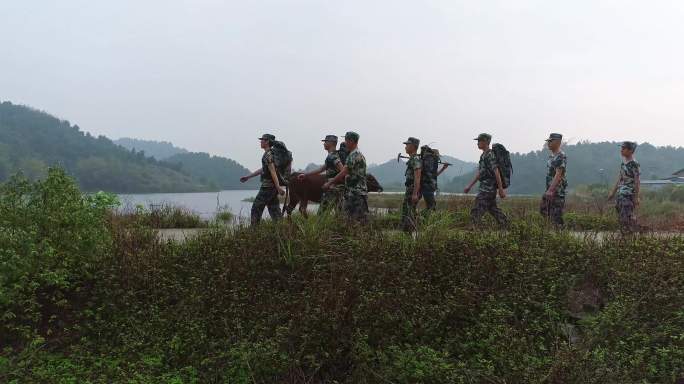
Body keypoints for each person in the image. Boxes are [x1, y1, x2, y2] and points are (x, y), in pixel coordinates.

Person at [464, 133, 508, 227]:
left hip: (488, 189)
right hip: (485, 187)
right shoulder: (483, 155)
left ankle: (473, 228)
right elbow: (480, 173)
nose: (477, 143)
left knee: (477, 208)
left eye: (479, 141)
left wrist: (500, 189)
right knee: (492, 208)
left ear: (485, 142)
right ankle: (506, 224)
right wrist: (469, 186)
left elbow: (496, 172)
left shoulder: (490, 155)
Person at [240, 134, 285, 226]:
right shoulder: (272, 154)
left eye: (262, 140)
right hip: (272, 188)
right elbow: (264, 169)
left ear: (267, 141)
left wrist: (278, 187)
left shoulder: (268, 154)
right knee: (275, 211)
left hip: (267, 187)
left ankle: (254, 231)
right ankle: (282, 231)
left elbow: (272, 171)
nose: (260, 142)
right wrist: (248, 177)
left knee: (256, 208)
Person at [323, 131, 368, 223]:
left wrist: (329, 183)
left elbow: (343, 172)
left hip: (356, 194)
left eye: (346, 141)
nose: (345, 143)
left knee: (358, 221)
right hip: (353, 193)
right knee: (349, 220)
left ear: (351, 141)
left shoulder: (354, 155)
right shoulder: (354, 155)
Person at [298, 135, 344, 212]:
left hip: (333, 189)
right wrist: (305, 175)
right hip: (335, 189)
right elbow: (321, 169)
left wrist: (330, 183)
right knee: (339, 213)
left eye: (325, 142)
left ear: (331, 143)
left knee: (321, 213)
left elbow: (342, 170)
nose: (324, 144)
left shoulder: (333, 156)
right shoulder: (331, 156)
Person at [607, 141, 640, 232]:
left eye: (623, 149)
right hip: (620, 194)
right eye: (621, 148)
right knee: (621, 215)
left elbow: (637, 181)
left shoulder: (634, 164)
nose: (621, 150)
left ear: (630, 151)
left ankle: (630, 234)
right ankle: (627, 232)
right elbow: (620, 178)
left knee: (627, 216)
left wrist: (636, 197)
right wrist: (612, 192)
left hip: (629, 194)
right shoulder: (623, 163)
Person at [540, 133, 567, 227]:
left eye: (550, 141)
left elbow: (558, 174)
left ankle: (561, 235)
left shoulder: (561, 156)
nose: (548, 143)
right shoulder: (551, 156)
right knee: (543, 210)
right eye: (548, 141)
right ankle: (552, 231)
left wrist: (550, 190)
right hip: (549, 189)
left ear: (557, 142)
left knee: (557, 215)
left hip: (557, 191)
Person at [401, 137, 422, 232]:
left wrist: (414, 193)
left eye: (407, 145)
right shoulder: (413, 159)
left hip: (412, 190)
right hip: (410, 189)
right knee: (407, 212)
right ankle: (408, 235)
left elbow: (418, 177)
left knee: (408, 213)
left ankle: (409, 236)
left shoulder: (416, 159)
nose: (405, 147)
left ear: (413, 146)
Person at [420, 147, 449, 213]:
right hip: (428, 188)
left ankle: (421, 218)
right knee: (431, 206)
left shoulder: (430, 164)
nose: (438, 159)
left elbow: (433, 176)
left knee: (431, 206)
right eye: (437, 157)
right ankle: (420, 217)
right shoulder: (429, 164)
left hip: (429, 188)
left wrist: (443, 168)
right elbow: (431, 176)